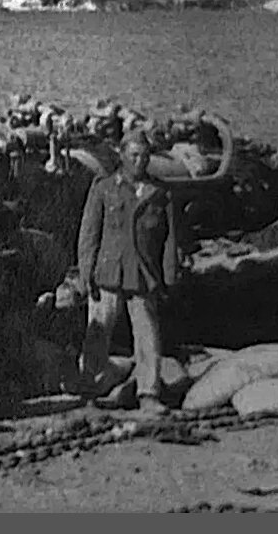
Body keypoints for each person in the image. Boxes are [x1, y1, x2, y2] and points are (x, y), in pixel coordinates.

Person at [75, 128, 182, 416]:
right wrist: (86, 272)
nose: (140, 161)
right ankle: (89, 391)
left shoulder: (160, 193)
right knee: (97, 334)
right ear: (121, 155)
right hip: (108, 271)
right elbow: (89, 233)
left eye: (145, 156)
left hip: (143, 273)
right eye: (134, 155)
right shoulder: (104, 188)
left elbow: (170, 240)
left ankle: (149, 393)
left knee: (147, 335)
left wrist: (169, 276)